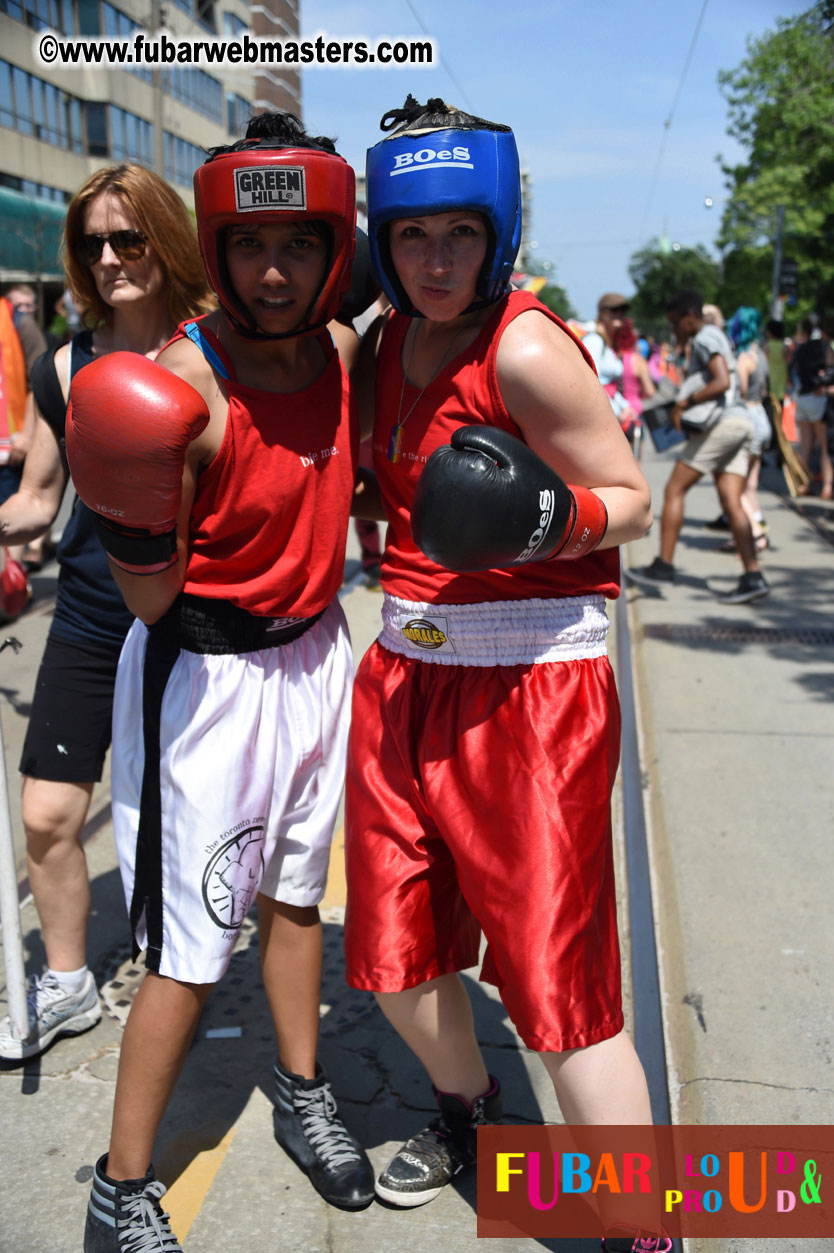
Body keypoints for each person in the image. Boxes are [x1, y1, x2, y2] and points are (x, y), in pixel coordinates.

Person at [345, 95, 667, 1253]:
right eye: (414, 235)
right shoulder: (384, 342)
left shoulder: (524, 345)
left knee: (560, 991)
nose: (436, 261)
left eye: (459, 235)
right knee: (392, 953)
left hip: (532, 693)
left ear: (497, 232)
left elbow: (626, 501)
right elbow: (395, 492)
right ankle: (474, 1118)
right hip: (404, 673)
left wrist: (542, 518)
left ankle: (645, 1224)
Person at [66, 113, 375, 1252]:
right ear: (219, 247)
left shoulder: (344, 355)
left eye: (301, 242)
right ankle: (118, 1184)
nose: (277, 269)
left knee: (300, 897)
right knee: (192, 954)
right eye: (251, 245)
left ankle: (301, 1088)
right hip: (207, 677)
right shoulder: (178, 387)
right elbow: (148, 602)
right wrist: (126, 492)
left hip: (315, 654)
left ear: (335, 245)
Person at [0, 164, 213, 1068]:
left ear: (164, 240)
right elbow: (39, 499)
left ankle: (178, 965)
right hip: (92, 612)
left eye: (128, 238)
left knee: (181, 819)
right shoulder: (64, 364)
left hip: (196, 620)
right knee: (49, 814)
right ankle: (66, 982)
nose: (111, 257)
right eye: (93, 243)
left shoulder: (220, 348)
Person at [627, 289, 769, 604]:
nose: (674, 329)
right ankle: (752, 575)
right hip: (741, 422)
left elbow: (722, 381)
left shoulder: (704, 338)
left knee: (674, 489)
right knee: (732, 501)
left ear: (690, 317)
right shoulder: (715, 336)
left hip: (725, 424)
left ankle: (663, 566)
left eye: (675, 323)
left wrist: (684, 405)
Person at [723, 306, 771, 552]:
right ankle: (757, 526)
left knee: (737, 486)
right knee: (750, 485)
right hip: (761, 417)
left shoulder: (744, 358)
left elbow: (739, 393)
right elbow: (762, 391)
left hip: (747, 418)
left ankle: (754, 532)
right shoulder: (761, 354)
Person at [792, 313, 833, 499]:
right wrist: (823, 385)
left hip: (802, 397)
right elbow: (830, 371)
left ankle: (801, 484)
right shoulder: (825, 347)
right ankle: (827, 487)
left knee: (805, 445)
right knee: (825, 447)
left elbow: (794, 370)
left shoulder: (800, 349)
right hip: (819, 398)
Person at [613, 316, 655, 454]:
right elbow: (650, 391)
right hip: (633, 414)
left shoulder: (609, 357)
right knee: (634, 463)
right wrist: (638, 393)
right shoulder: (637, 360)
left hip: (612, 413)